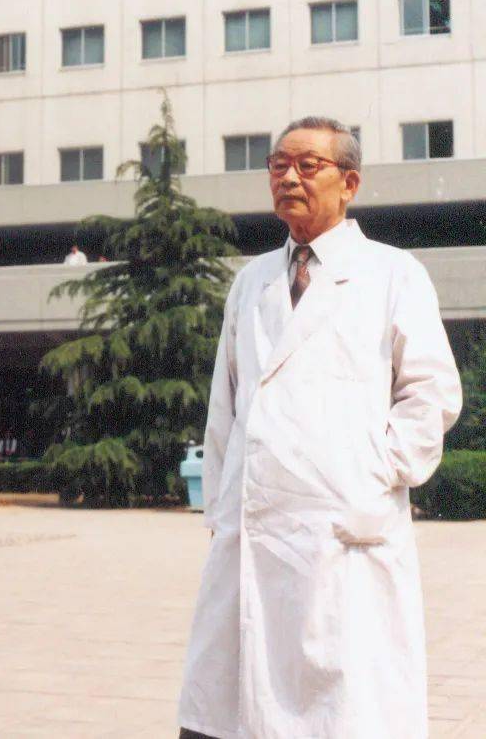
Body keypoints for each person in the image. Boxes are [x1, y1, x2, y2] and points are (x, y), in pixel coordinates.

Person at [178, 117, 462, 739]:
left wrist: (372, 471)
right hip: (254, 528)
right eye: (278, 165)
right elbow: (226, 403)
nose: (289, 177)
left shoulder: (392, 273)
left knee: (344, 705)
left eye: (308, 166)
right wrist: (222, 509)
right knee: (232, 702)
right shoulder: (251, 281)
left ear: (349, 183)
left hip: (343, 527)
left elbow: (431, 392)